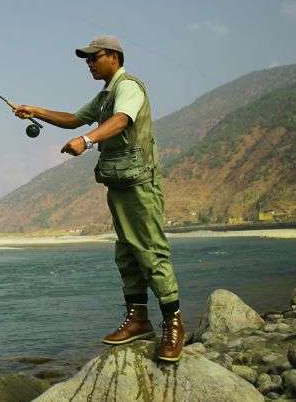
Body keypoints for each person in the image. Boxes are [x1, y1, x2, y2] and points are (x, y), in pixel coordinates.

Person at [12, 35, 185, 362]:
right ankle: (138, 320)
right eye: (86, 59)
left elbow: (122, 121)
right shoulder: (104, 95)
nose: (89, 63)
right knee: (127, 251)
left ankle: (174, 324)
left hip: (139, 183)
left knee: (151, 250)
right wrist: (34, 110)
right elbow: (73, 118)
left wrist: (87, 140)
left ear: (115, 57)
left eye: (95, 57)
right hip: (119, 183)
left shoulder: (128, 87)